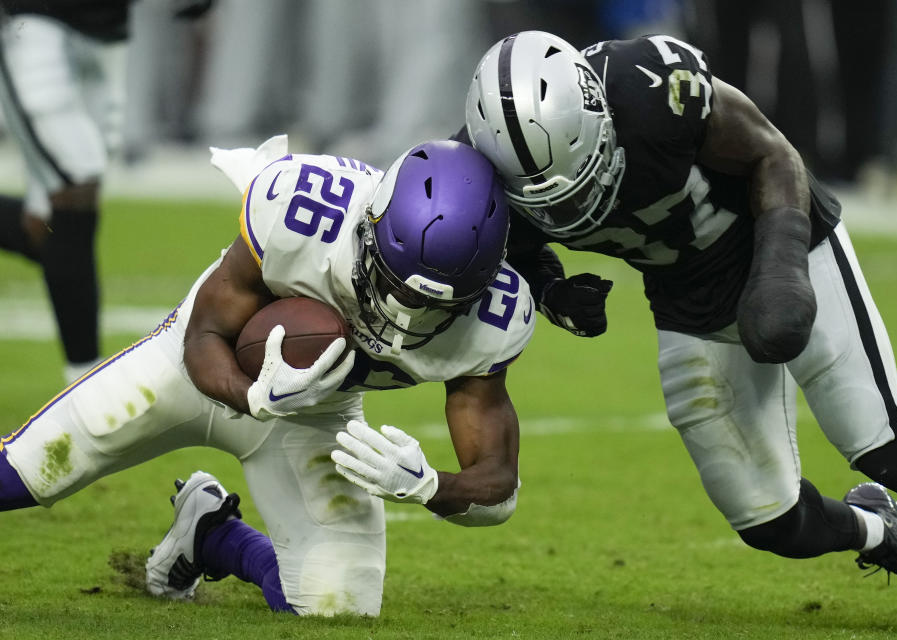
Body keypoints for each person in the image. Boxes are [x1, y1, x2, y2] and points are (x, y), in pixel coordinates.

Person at [459, 30, 897, 609]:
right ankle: (883, 532)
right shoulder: (483, 173)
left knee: (884, 445)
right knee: (770, 519)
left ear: (597, 114)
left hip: (772, 237)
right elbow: (511, 245)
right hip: (685, 299)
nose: (566, 208)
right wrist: (550, 291)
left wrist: (780, 267)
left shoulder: (647, 88)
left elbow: (772, 152)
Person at [0, 136, 535, 616]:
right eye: (398, 286)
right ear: (370, 223)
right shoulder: (303, 207)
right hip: (195, 367)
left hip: (316, 413)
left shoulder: (497, 316)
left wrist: (428, 485)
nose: (407, 315)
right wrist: (252, 395)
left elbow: (498, 487)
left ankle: (211, 534)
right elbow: (203, 336)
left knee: (337, 606)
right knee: (28, 471)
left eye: (432, 303)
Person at [0, 0, 212, 383]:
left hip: (107, 30)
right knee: (75, 178)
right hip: (29, 22)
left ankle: (86, 385)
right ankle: (86, 388)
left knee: (50, 229)